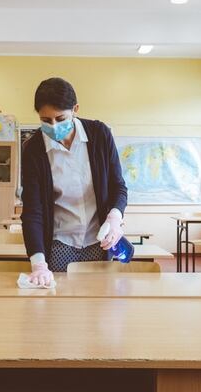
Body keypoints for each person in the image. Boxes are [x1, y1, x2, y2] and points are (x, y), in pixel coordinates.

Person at [20, 77, 128, 286]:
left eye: (60, 118)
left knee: (98, 303)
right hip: (60, 242)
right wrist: (38, 264)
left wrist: (115, 217)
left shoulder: (99, 134)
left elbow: (118, 186)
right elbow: (33, 210)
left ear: (75, 109)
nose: (53, 126)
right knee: (60, 308)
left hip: (99, 240)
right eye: (45, 120)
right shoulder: (33, 149)